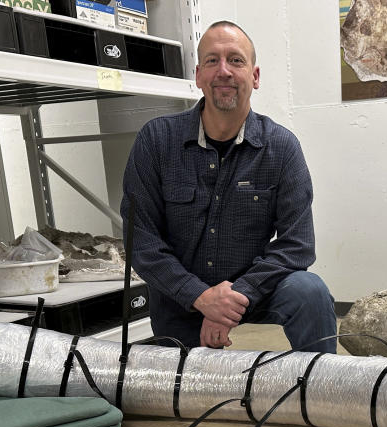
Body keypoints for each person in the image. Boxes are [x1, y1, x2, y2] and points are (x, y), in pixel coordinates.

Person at [121, 20, 337, 353]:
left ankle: (323, 392)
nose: (224, 71)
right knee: (183, 398)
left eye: (236, 60)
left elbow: (297, 244)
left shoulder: (281, 147)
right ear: (198, 75)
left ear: (255, 76)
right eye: (212, 61)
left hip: (254, 293)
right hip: (180, 299)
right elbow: (142, 242)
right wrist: (201, 297)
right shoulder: (156, 141)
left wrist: (233, 299)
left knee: (309, 291)